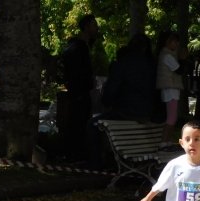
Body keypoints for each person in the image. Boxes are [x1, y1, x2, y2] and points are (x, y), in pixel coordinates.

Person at [88, 33, 155, 170]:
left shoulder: (122, 64)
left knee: (92, 124)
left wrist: (107, 103)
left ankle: (96, 165)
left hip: (126, 113)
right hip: (148, 113)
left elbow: (110, 92)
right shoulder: (152, 65)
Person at [62, 14, 98, 160]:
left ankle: (72, 154)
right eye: (94, 25)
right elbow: (78, 71)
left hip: (78, 92)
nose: (96, 28)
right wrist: (80, 91)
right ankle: (75, 155)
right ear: (86, 27)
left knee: (76, 124)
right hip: (80, 93)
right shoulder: (80, 47)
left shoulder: (75, 45)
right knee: (78, 125)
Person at [155, 31, 188, 152]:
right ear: (168, 42)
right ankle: (164, 142)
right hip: (170, 88)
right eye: (175, 42)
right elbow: (178, 70)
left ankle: (167, 142)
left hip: (171, 87)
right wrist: (183, 59)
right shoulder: (167, 55)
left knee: (172, 116)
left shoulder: (167, 54)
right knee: (171, 116)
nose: (176, 44)